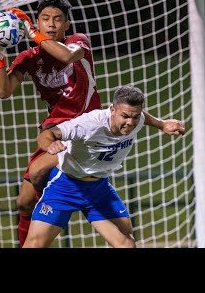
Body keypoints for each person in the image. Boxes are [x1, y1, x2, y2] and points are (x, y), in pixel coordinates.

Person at [0, 0, 103, 247]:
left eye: (58, 19)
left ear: (67, 25)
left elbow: (67, 57)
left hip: (87, 128)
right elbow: (4, 91)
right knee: (23, 202)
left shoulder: (78, 42)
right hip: (56, 132)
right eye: (45, 19)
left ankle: (49, 211)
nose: (52, 24)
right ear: (37, 21)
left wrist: (33, 33)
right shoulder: (29, 57)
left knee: (38, 173)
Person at [22, 85, 185, 248]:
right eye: (125, 116)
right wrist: (50, 145)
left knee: (127, 242)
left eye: (135, 117)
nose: (130, 123)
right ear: (112, 109)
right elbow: (46, 134)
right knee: (35, 244)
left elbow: (144, 117)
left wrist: (162, 124)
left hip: (99, 189)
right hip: (66, 186)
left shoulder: (137, 118)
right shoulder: (89, 124)